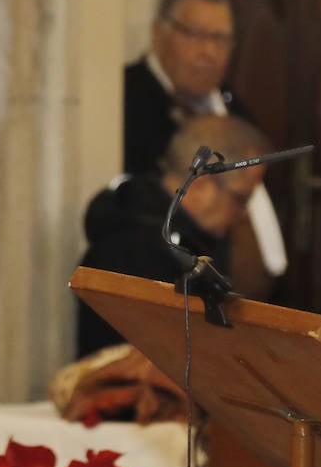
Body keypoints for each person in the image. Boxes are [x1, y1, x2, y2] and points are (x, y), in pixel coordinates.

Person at [123, 0, 287, 286]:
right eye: (197, 36)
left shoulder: (231, 105)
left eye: (222, 40)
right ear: (160, 33)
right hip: (164, 279)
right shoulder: (126, 100)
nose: (210, 53)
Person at [75, 114, 268, 359]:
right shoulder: (137, 248)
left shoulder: (187, 235)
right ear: (201, 187)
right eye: (241, 198)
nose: (243, 214)